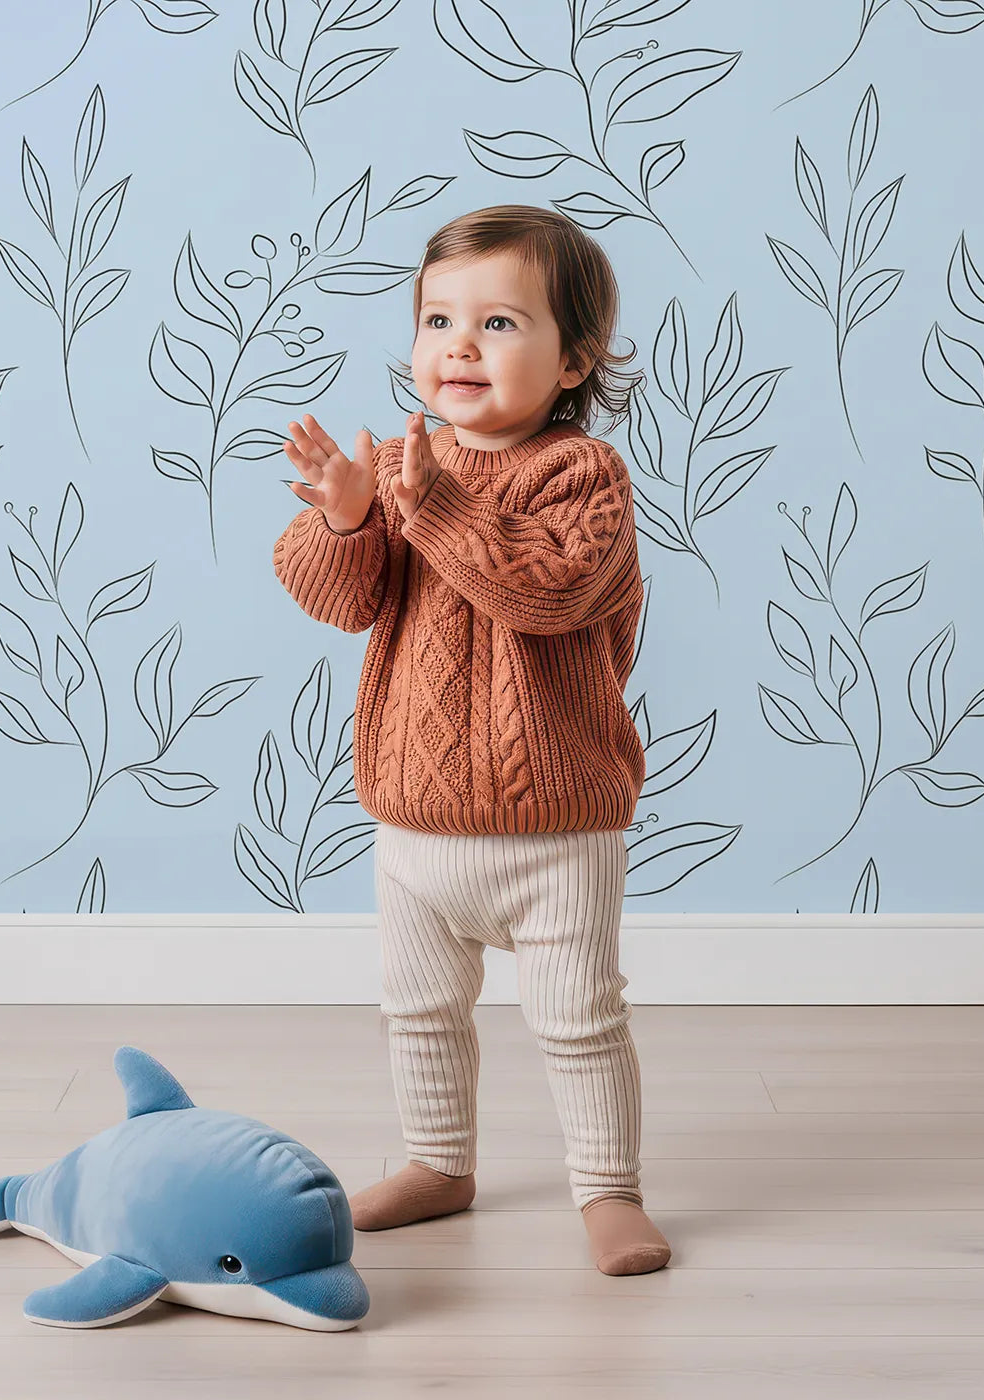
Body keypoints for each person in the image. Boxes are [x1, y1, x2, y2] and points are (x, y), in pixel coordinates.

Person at [271, 205, 670, 1276]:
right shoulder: (403, 465)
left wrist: (430, 505)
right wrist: (346, 519)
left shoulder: (583, 476)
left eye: (497, 322)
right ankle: (438, 1162)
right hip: (413, 820)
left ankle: (608, 1188)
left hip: (556, 822)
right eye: (438, 319)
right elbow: (340, 599)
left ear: (574, 359)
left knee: (580, 1019)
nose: (458, 345)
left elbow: (547, 590)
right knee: (419, 1010)